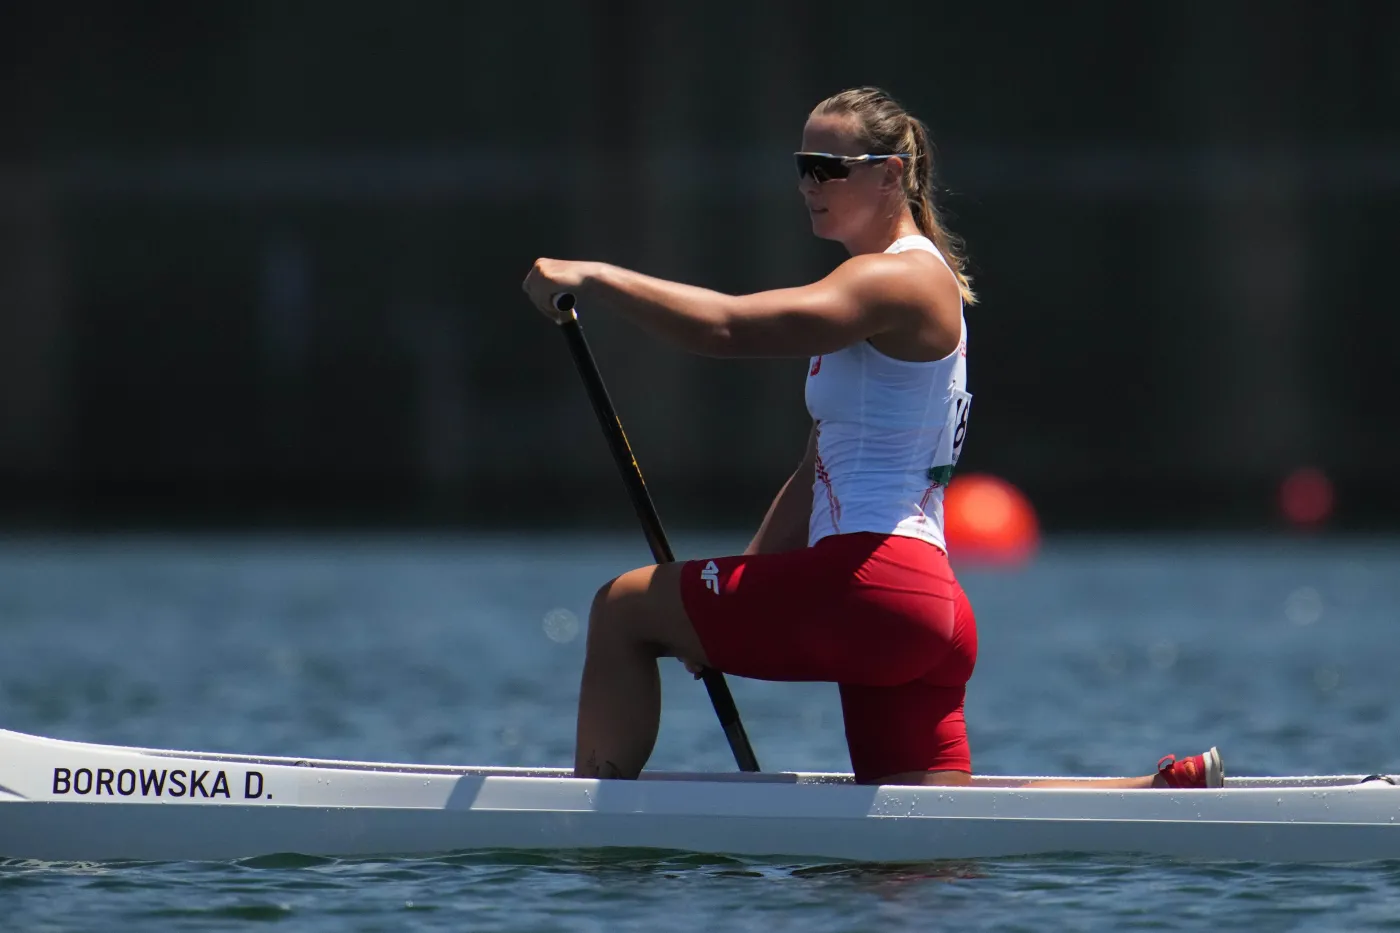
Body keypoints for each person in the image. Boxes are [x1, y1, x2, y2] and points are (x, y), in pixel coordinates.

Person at [522, 86, 1224, 790]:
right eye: (803, 165)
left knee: (621, 609)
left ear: (891, 173)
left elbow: (728, 327)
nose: (809, 184)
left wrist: (595, 276)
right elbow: (811, 472)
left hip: (868, 589)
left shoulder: (900, 281)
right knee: (922, 837)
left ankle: (590, 823)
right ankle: (1150, 791)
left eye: (829, 166)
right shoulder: (886, 290)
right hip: (925, 608)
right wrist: (732, 599)